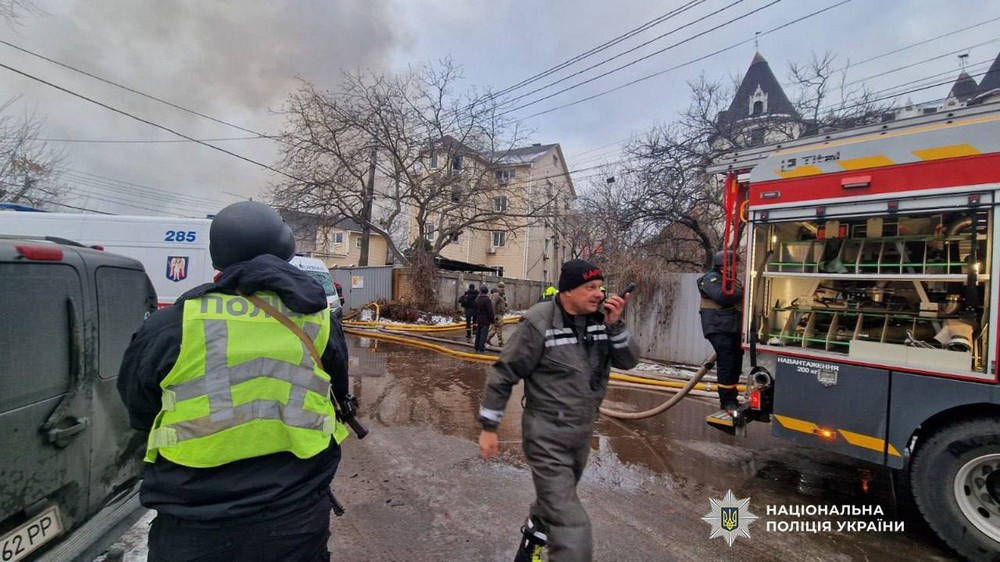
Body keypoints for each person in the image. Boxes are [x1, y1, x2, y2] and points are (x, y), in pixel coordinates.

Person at [117, 201, 351, 562]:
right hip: (295, 513)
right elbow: (337, 392)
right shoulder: (318, 321)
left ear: (219, 255)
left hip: (194, 519)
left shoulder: (172, 324)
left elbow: (138, 403)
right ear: (284, 248)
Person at [478, 259, 639, 561]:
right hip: (546, 437)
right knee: (572, 526)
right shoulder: (539, 322)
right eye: (590, 287)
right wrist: (489, 427)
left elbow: (629, 360)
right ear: (568, 291)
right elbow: (504, 373)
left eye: (600, 287)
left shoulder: (601, 320)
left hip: (581, 434)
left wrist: (615, 325)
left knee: (554, 501)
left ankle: (530, 546)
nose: (599, 293)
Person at [697, 250, 744, 413]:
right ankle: (727, 402)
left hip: (731, 328)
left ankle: (732, 398)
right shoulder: (711, 279)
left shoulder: (731, 280)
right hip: (718, 328)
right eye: (735, 264)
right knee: (727, 363)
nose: (737, 267)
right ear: (725, 265)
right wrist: (744, 292)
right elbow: (723, 296)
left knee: (735, 363)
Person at [472, 284, 494, 353]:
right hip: (485, 320)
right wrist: (492, 320)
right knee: (483, 335)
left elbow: (474, 310)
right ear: (486, 292)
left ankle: (476, 347)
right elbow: (490, 311)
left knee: (478, 334)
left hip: (479, 320)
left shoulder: (477, 299)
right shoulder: (487, 300)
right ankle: (481, 349)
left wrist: (475, 320)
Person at [487, 281, 509, 347]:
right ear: (499, 288)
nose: (503, 289)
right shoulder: (496, 295)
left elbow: (503, 304)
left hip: (500, 314)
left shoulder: (501, 295)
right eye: (501, 288)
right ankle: (501, 342)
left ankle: (487, 338)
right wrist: (494, 315)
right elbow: (493, 305)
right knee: (499, 328)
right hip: (497, 315)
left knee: (495, 328)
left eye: (503, 287)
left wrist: (505, 309)